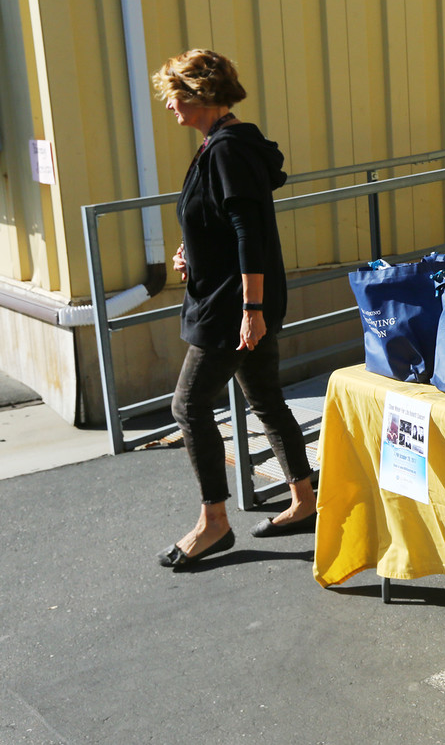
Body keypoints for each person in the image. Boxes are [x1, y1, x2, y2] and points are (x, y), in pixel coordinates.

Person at [153, 49, 317, 569]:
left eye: (175, 97)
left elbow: (248, 232)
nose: (170, 108)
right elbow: (224, 223)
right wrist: (191, 251)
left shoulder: (225, 150)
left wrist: (251, 308)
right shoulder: (226, 145)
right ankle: (305, 500)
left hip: (232, 306)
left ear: (199, 97)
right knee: (265, 397)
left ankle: (214, 522)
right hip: (239, 297)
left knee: (188, 406)